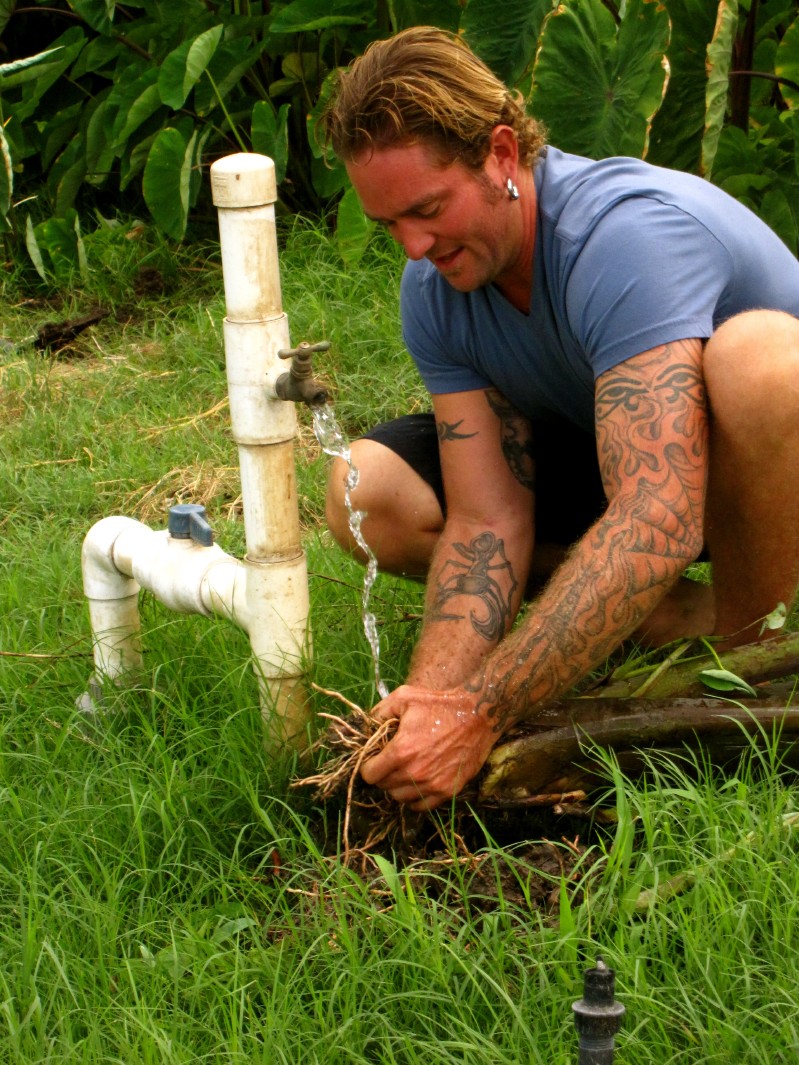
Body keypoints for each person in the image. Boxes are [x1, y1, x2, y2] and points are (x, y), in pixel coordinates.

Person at [319, 26, 799, 811]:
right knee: (367, 492)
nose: (412, 247)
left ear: (500, 156)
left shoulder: (621, 238)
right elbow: (485, 516)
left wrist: (485, 709)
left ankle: (747, 650)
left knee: (758, 360)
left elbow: (659, 516)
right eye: (389, 225)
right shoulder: (437, 286)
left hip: (761, 465)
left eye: (427, 209)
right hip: (624, 454)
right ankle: (665, 613)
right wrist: (433, 695)